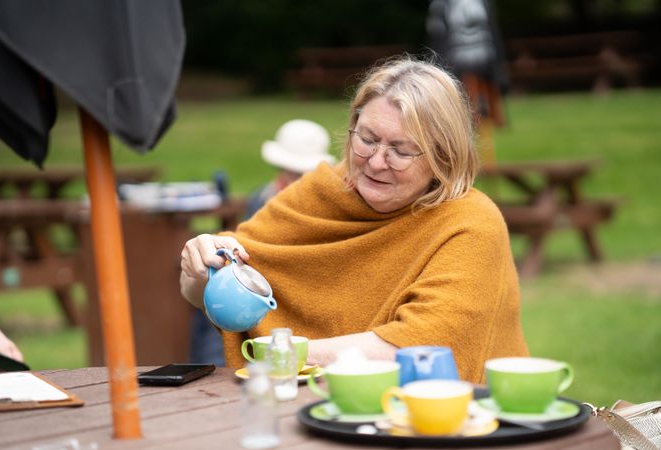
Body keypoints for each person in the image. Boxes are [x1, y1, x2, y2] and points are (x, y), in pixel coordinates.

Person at [180, 56, 528, 383]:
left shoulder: (470, 223)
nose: (376, 162)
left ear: (444, 156)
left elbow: (418, 349)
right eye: (368, 139)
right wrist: (201, 270)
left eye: (401, 150)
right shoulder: (319, 192)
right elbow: (205, 295)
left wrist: (280, 353)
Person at [189, 119, 336, 365]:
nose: (292, 180)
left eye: (300, 174)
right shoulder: (263, 198)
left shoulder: (317, 206)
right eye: (289, 171)